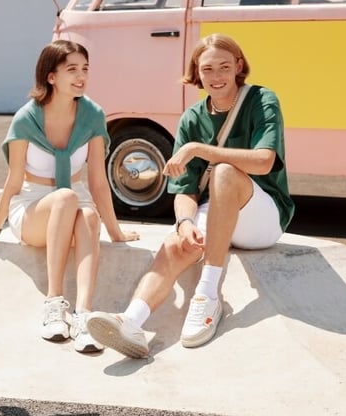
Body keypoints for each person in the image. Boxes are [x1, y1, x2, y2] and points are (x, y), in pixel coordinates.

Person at [86, 33, 295, 357]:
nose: (216, 76)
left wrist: (197, 148)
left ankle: (208, 294)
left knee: (225, 171)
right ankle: (132, 323)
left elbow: (265, 161)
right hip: (220, 211)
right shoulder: (193, 117)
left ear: (239, 66)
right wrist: (185, 221)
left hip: (263, 214)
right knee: (176, 242)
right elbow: (184, 190)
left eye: (224, 67)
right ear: (197, 72)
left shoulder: (262, 100)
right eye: (208, 69)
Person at [0, 40, 139, 354]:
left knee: (87, 213)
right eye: (72, 69)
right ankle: (54, 304)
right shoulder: (27, 118)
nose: (81, 76)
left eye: (85, 69)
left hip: (74, 200)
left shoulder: (93, 115)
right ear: (51, 76)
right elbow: (13, 181)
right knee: (66, 198)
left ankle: (83, 316)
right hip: (33, 207)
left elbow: (97, 181)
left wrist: (115, 231)